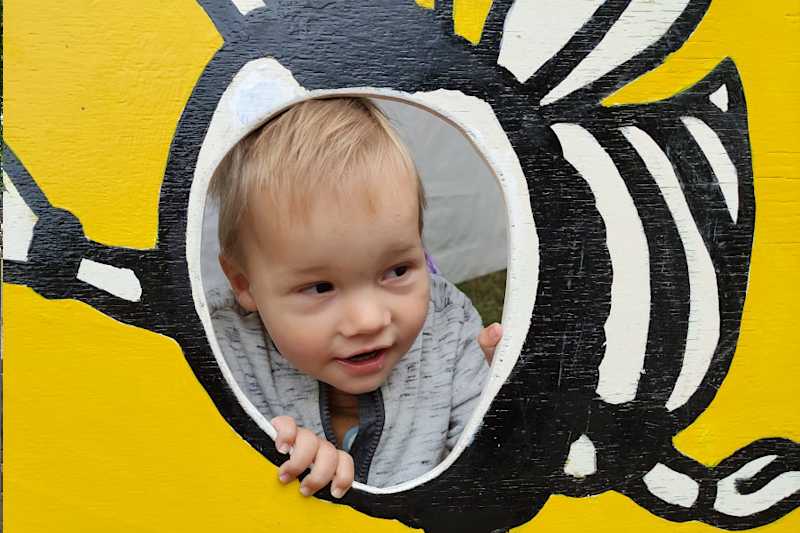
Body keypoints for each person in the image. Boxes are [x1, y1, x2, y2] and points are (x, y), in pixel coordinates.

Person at [208, 97, 503, 499]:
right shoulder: (217, 354)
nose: (368, 319)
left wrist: (506, 403)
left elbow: (490, 475)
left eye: (397, 270)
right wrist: (268, 466)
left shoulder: (448, 328)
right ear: (244, 284)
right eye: (320, 287)